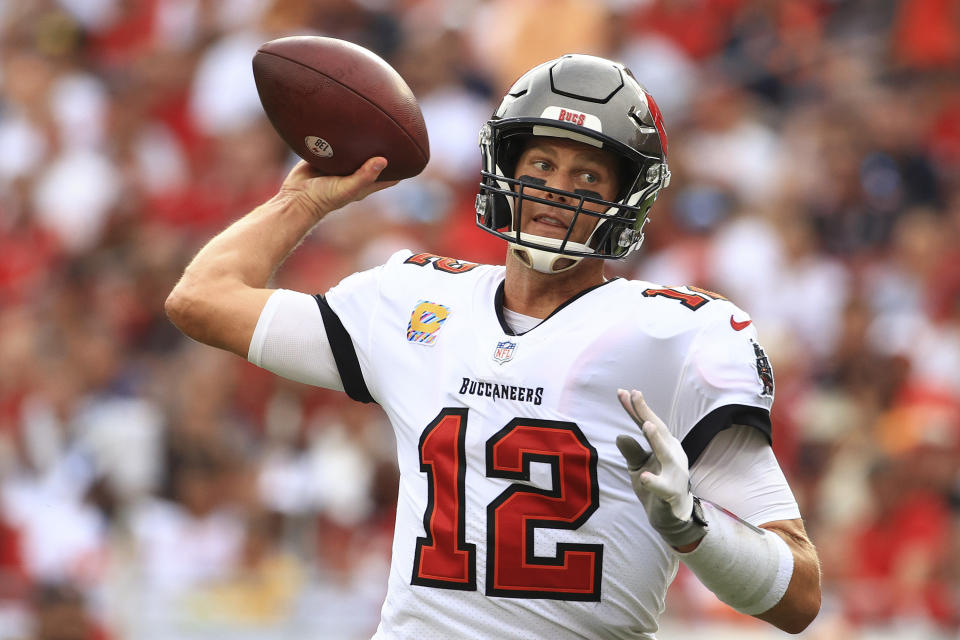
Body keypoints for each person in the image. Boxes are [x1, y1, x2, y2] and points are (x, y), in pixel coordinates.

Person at [165, 53, 821, 638]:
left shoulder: (675, 337)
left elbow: (799, 597)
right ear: (503, 169)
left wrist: (693, 529)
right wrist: (302, 201)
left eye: (588, 178)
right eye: (541, 163)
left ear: (627, 201)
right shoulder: (415, 303)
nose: (557, 191)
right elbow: (201, 299)